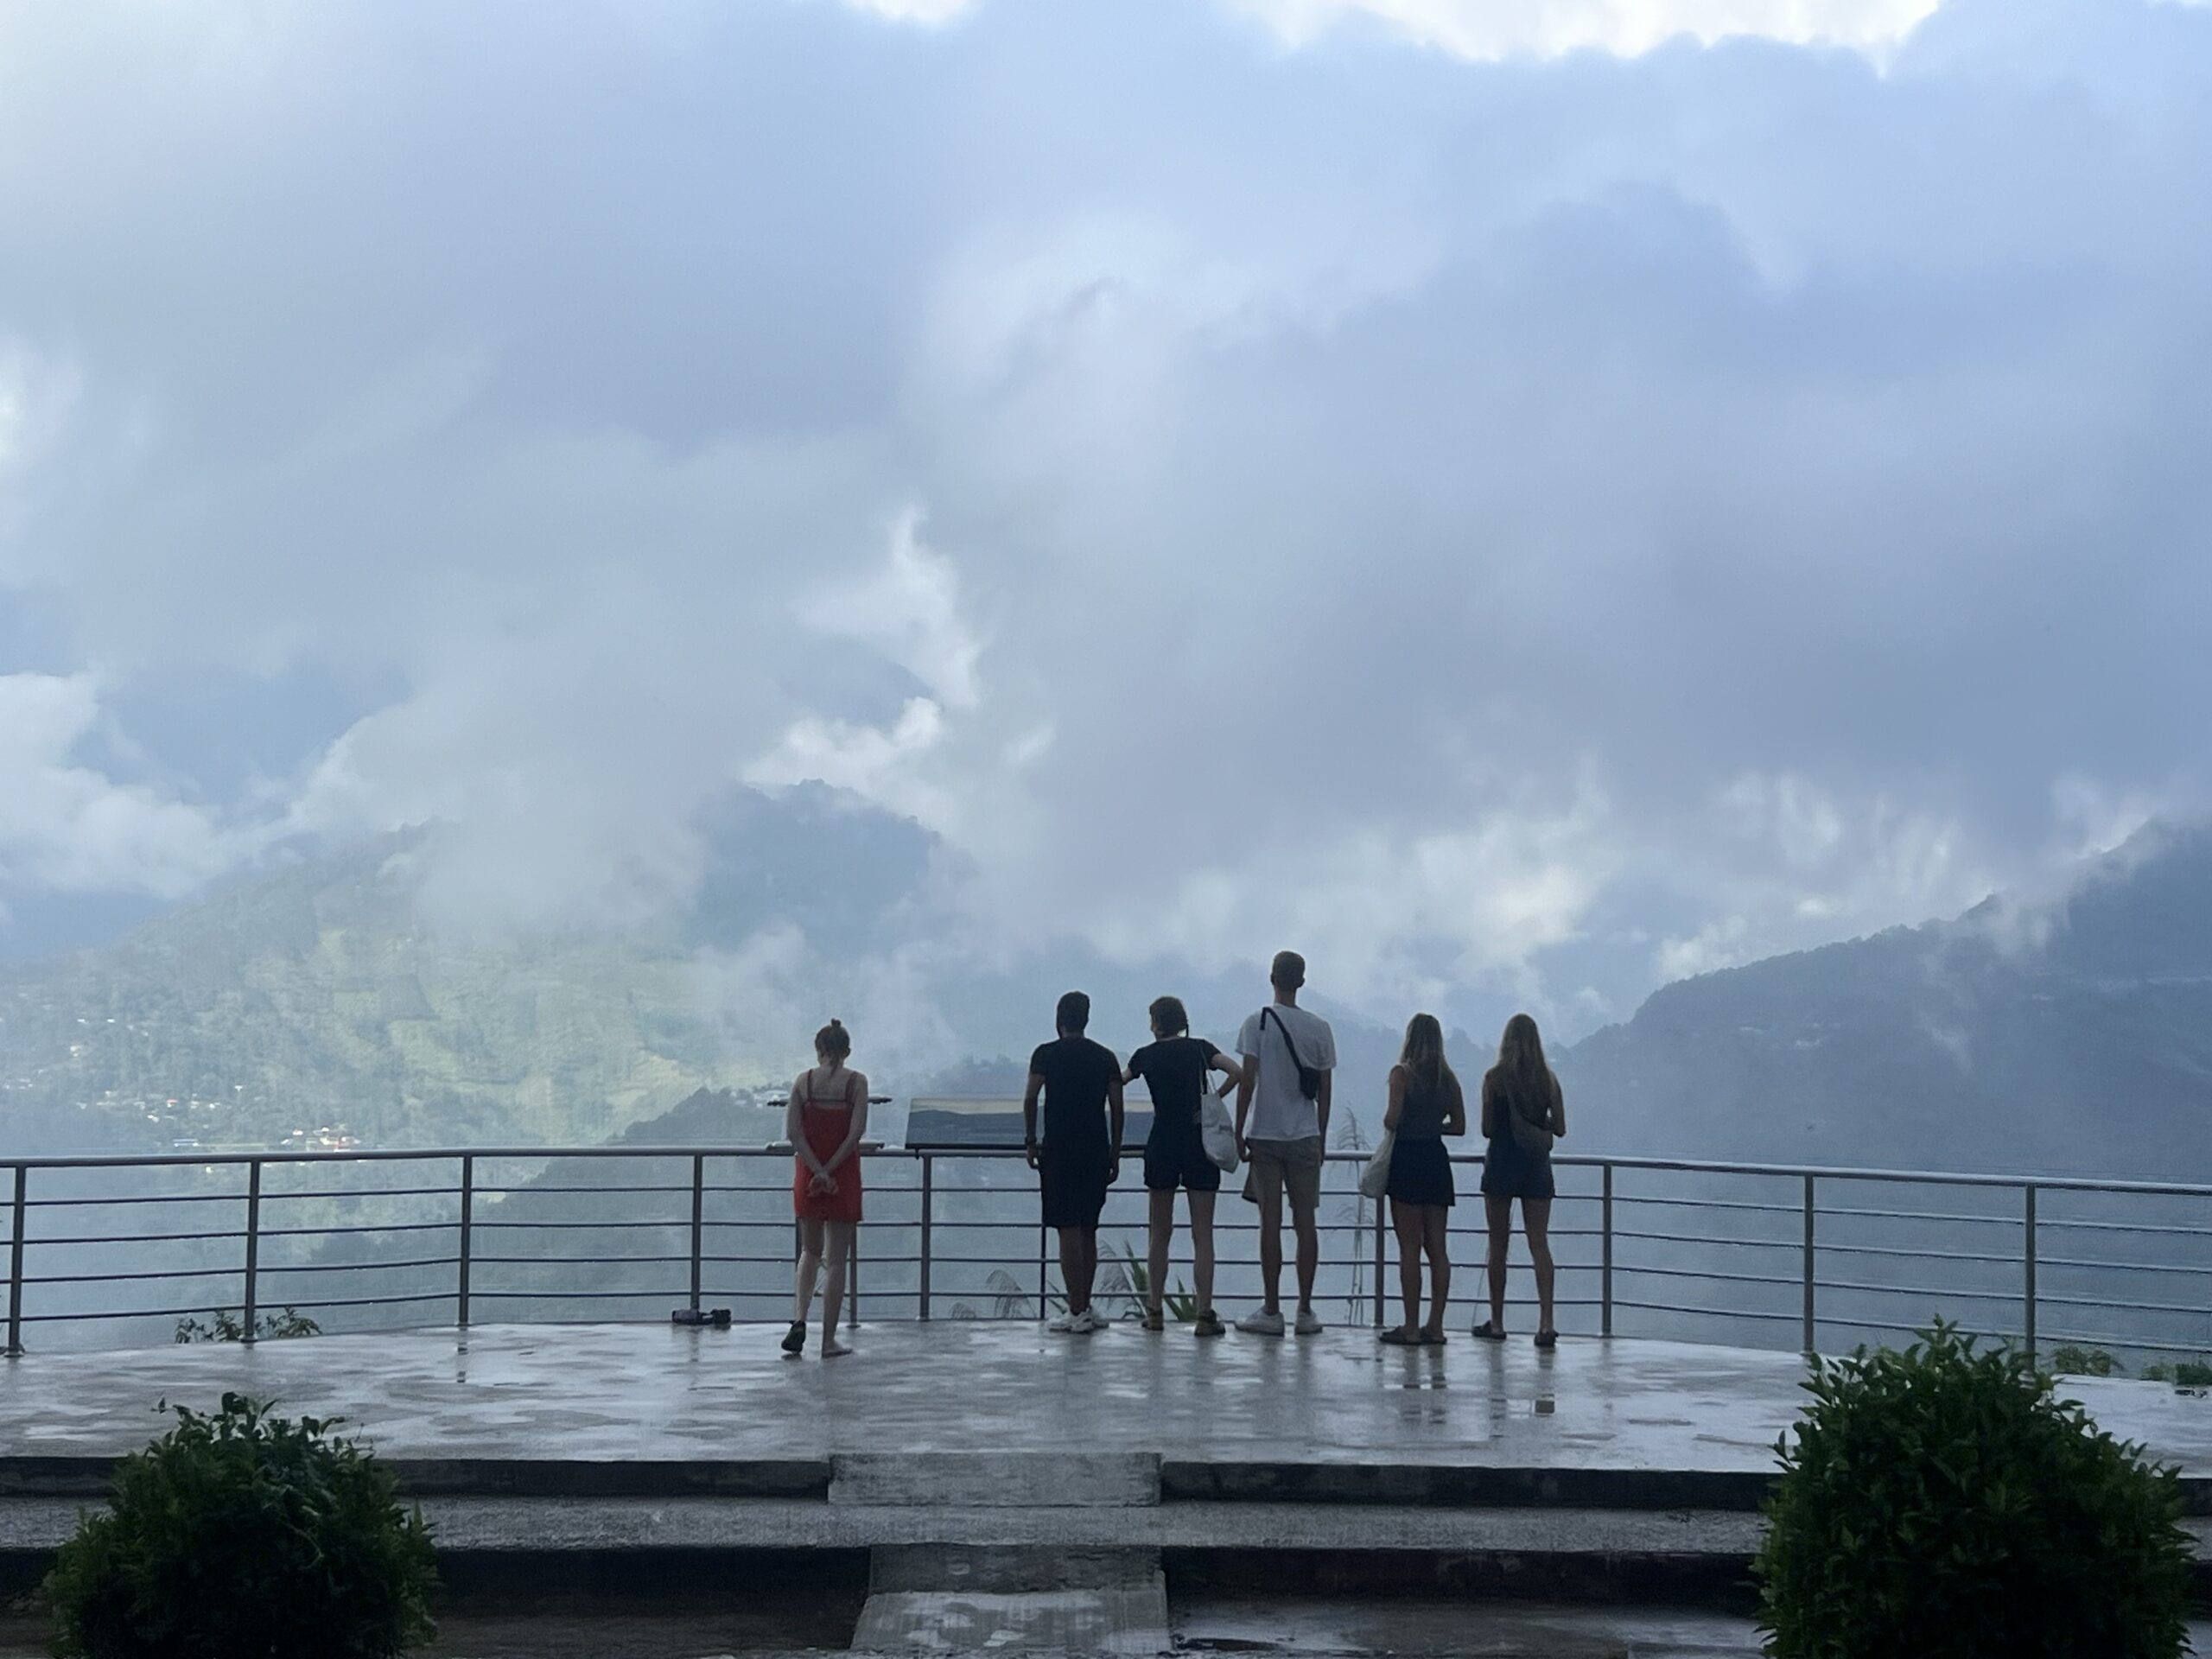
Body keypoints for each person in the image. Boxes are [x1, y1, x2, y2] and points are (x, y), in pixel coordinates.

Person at [1124, 995, 1244, 1338]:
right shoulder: (1200, 1049)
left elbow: (1119, 1080)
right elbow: (1237, 1071)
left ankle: (1155, 1310)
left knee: (1159, 1232)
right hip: (1198, 1144)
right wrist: (1212, 1102)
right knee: (1202, 1233)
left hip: (1161, 1143)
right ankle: (1204, 1313)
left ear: (1157, 1023)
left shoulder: (1145, 1055)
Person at [1232, 950, 1337, 1336]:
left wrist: (1239, 1129)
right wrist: (1321, 1135)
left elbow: (1248, 1081)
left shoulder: (1256, 1023)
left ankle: (1272, 1309)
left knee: (1270, 1225)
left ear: (1271, 977)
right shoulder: (1319, 1028)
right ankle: (1305, 1310)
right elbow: (1325, 1090)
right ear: (1302, 982)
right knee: (1305, 1222)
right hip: (1305, 1135)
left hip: (1265, 1135)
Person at [1023, 991, 1124, 1334]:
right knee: (1088, 1227)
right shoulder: (1105, 1057)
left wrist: (1031, 1141)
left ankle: (1076, 1308)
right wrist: (1115, 1152)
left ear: (1059, 1019)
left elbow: (1031, 1097)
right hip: (1096, 1149)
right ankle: (1086, 1305)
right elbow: (1117, 1107)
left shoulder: (1045, 1054)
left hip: (1059, 1150)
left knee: (1067, 1226)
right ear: (1086, 1019)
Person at [1474, 1012, 1567, 1348]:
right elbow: (1560, 1128)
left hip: (1501, 1162)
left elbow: (1486, 1128)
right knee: (1539, 1244)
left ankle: (1498, 1322)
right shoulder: (1547, 1080)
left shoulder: (1494, 1078)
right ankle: (1546, 1322)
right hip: (1537, 1167)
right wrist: (1538, 1124)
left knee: (1498, 1245)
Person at [784, 1018, 868, 1358]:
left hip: (808, 1176)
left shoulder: (803, 1083)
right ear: (847, 1051)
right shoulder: (856, 1083)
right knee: (836, 1261)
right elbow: (856, 1132)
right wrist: (831, 1170)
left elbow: (793, 1133)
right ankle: (828, 1340)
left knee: (809, 1251)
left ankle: (799, 1319)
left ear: (818, 1050)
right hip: (842, 1177)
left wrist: (817, 1170)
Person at [1380, 1013, 1466, 1346]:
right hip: (1436, 1161)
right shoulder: (1448, 1079)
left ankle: (1411, 1327)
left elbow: (1392, 1119)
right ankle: (1436, 1326)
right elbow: (1458, 1126)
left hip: (1407, 1161)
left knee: (1409, 1248)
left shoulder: (1401, 1074)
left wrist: (1406, 1121)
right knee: (1438, 1248)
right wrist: (1433, 1126)